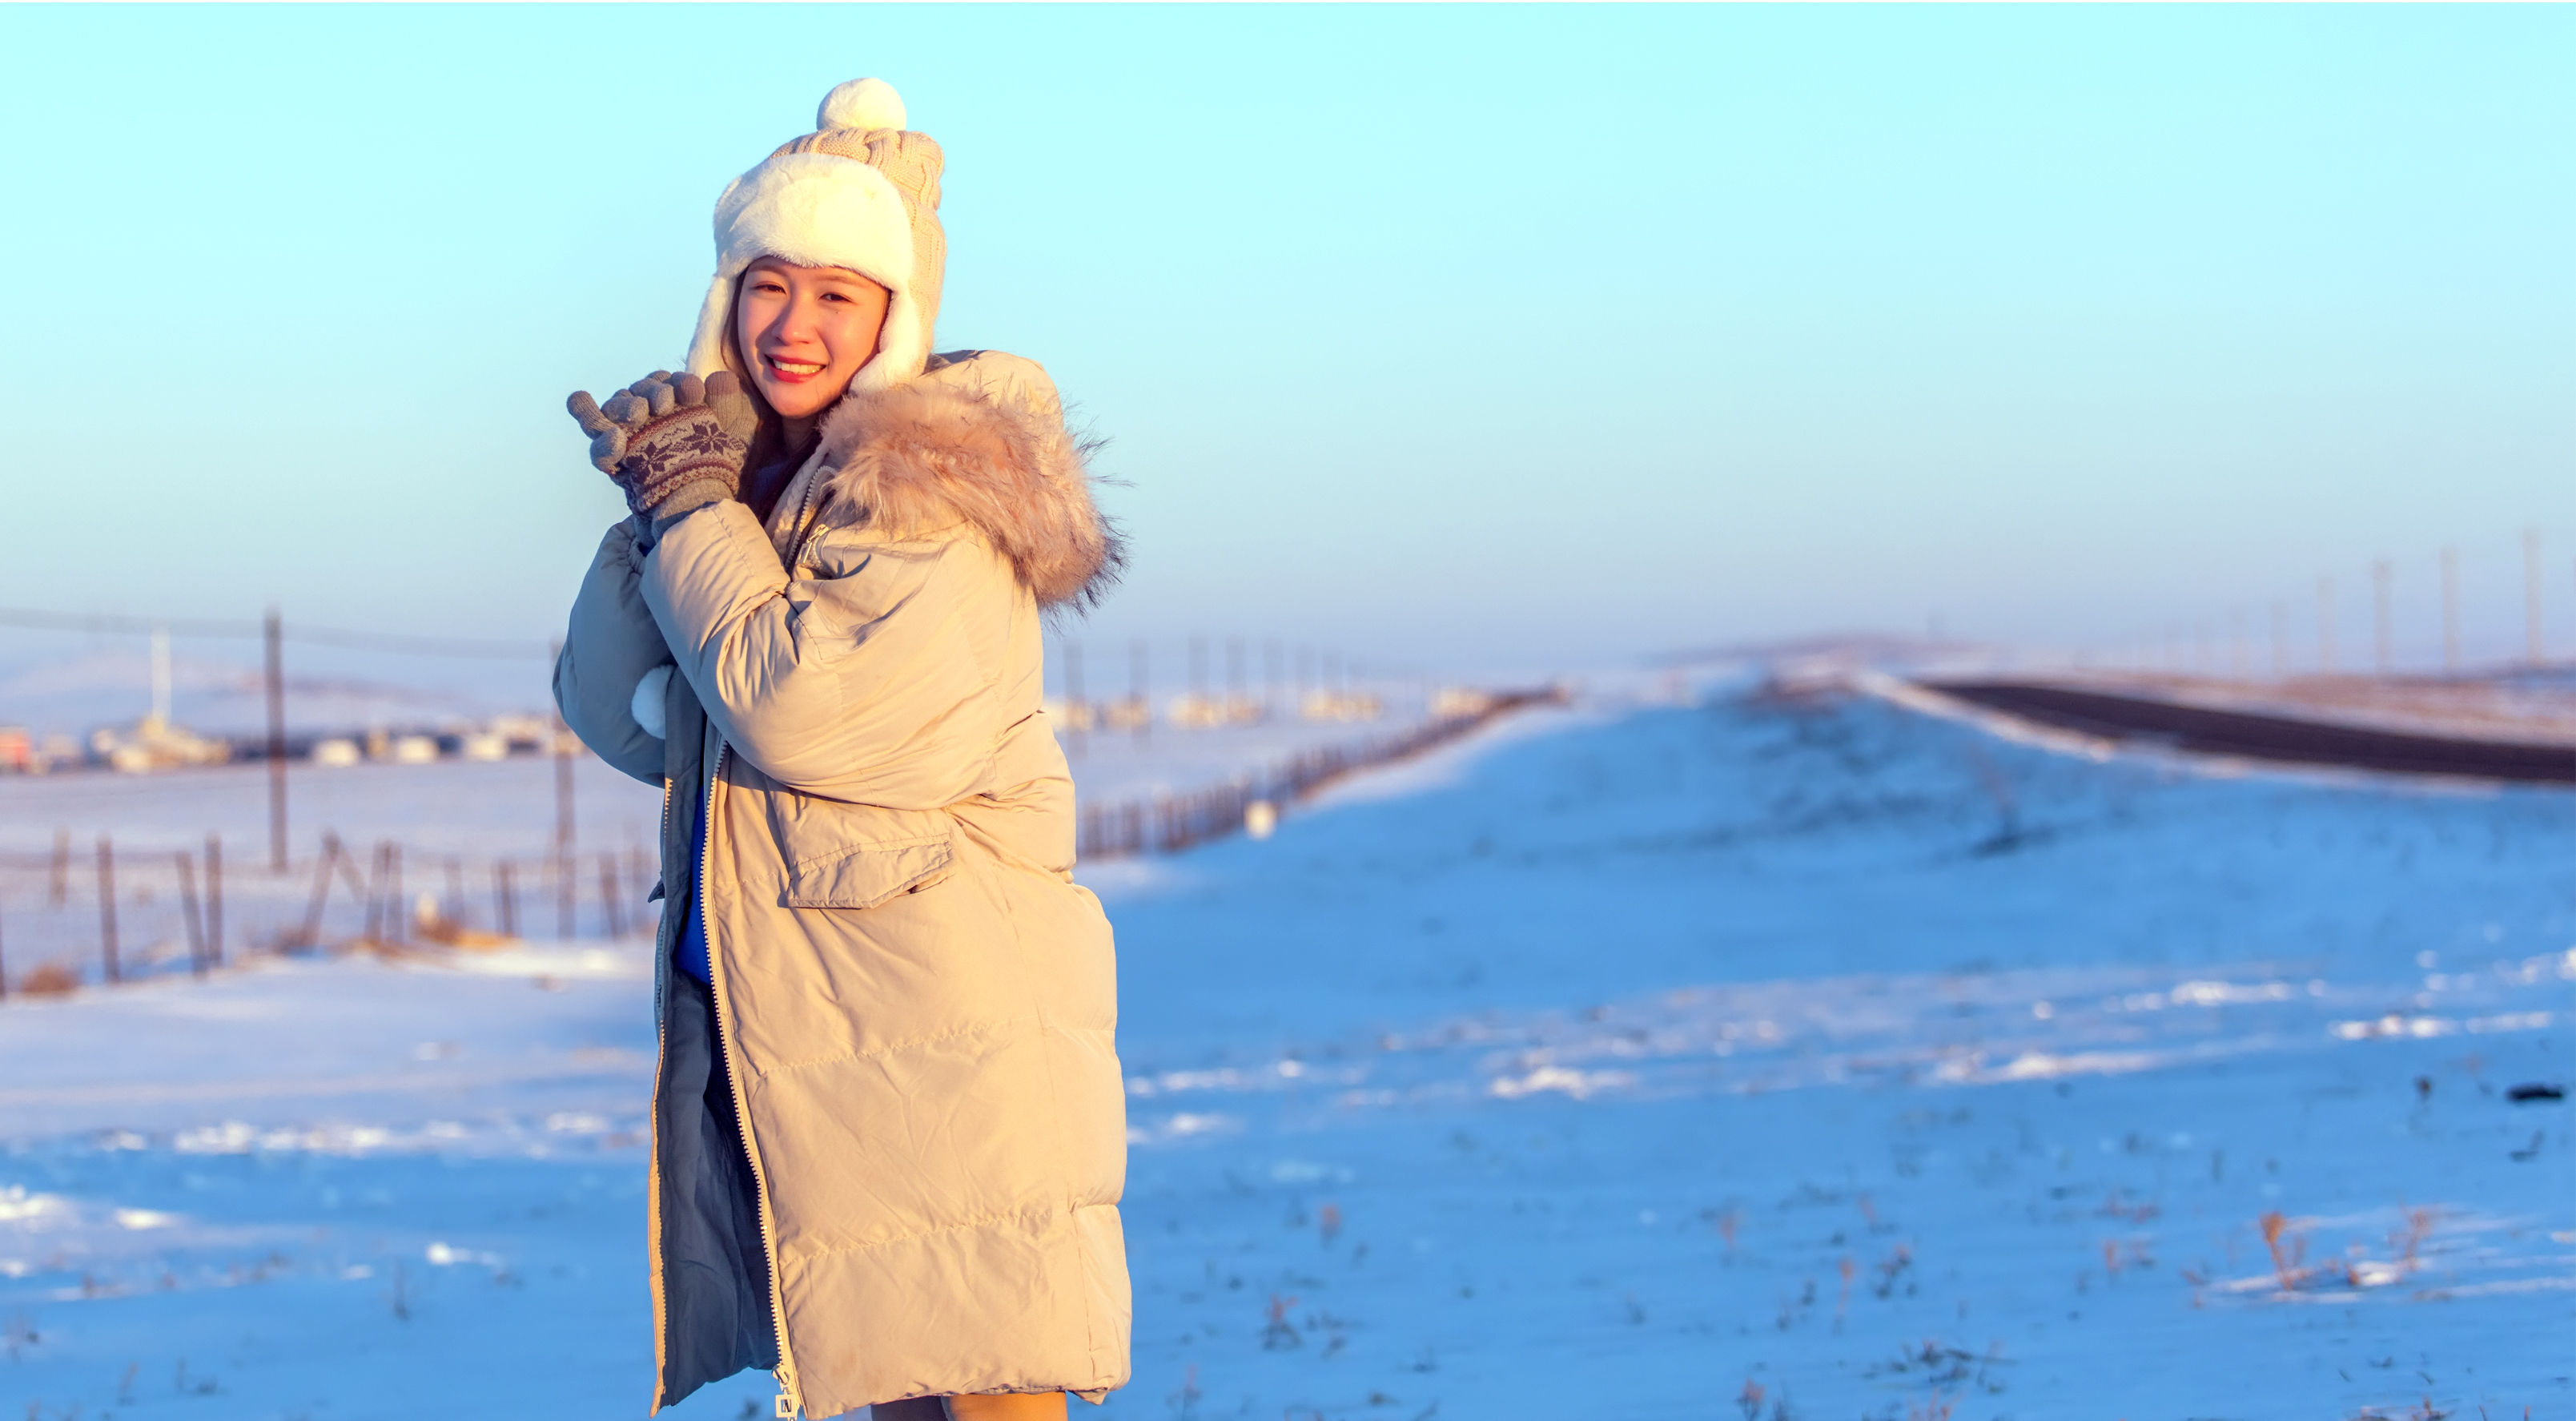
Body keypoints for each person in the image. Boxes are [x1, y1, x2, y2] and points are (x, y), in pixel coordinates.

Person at [553, 77, 1129, 1421]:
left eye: (836, 294)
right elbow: (615, 710)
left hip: (936, 1029)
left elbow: (803, 712)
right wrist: (669, 496)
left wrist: (694, 510)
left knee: (981, 1395)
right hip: (819, 1019)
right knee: (892, 1387)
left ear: (894, 318)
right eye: (766, 286)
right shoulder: (763, 488)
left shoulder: (927, 484)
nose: (793, 323)